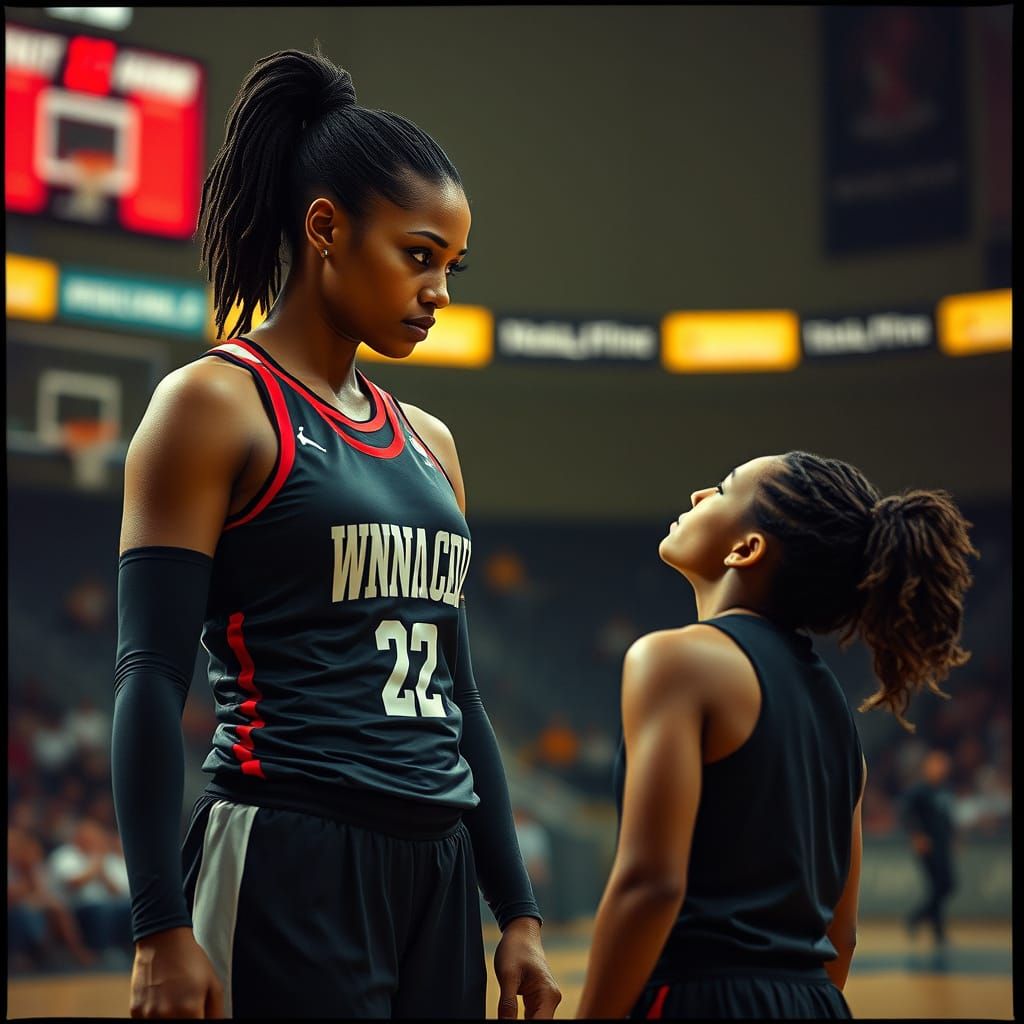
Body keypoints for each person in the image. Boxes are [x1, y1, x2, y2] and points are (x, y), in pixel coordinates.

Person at [111, 46, 560, 1020]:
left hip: (438, 868)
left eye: (452, 266)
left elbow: (460, 695)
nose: (441, 291)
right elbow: (148, 672)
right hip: (289, 846)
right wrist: (157, 924)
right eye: (419, 255)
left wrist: (516, 910)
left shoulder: (433, 443)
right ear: (325, 228)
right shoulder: (211, 404)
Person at [576, 451, 977, 1019]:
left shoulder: (673, 660)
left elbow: (651, 885)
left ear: (745, 550)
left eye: (722, 488)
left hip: (699, 997)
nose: (698, 495)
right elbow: (842, 935)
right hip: (816, 1002)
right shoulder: (839, 716)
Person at [902, 748, 957, 946]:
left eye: (943, 764)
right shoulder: (919, 790)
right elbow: (906, 814)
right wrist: (917, 836)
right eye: (936, 764)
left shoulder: (945, 790)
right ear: (926, 767)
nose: (940, 768)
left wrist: (954, 837)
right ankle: (918, 919)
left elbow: (948, 817)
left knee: (943, 886)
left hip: (942, 845)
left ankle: (931, 926)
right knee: (942, 885)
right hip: (927, 846)